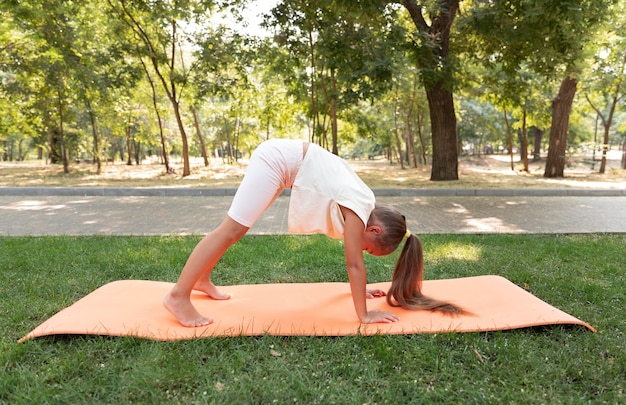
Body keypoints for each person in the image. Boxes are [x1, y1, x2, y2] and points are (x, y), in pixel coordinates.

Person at [164, 139, 464, 327]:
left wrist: (362, 288)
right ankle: (179, 295)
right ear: (374, 229)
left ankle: (201, 279)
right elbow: (353, 265)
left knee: (237, 231)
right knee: (231, 229)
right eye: (370, 248)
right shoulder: (360, 209)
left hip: (284, 164)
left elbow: (356, 263)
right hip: (277, 160)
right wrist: (364, 314)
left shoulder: (363, 204)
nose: (362, 251)